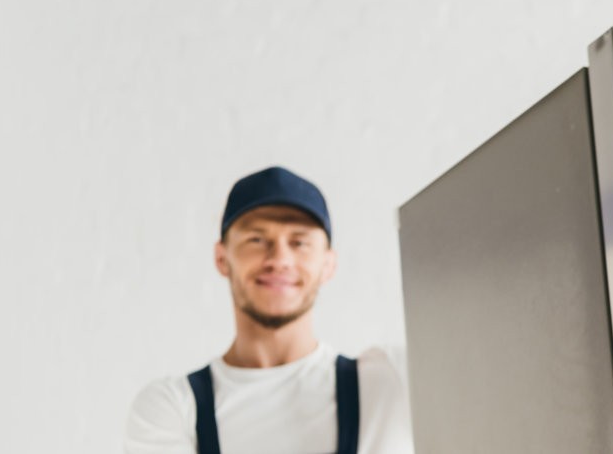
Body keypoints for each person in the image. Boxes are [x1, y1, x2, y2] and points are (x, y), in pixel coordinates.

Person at [125, 166, 413, 454]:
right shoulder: (173, 408)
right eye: (257, 240)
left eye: (299, 242)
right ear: (222, 258)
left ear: (328, 264)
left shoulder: (392, 381)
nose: (279, 259)